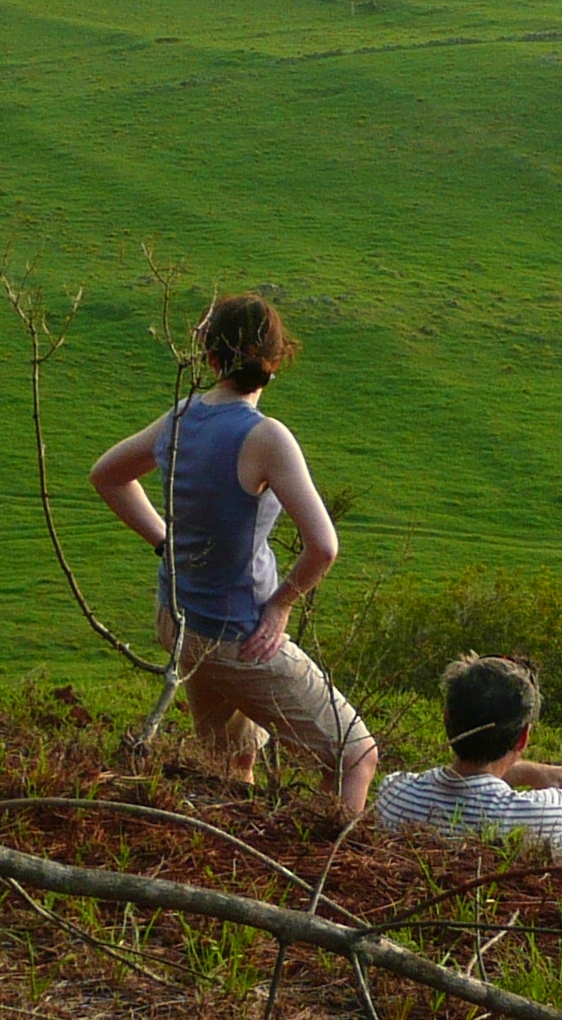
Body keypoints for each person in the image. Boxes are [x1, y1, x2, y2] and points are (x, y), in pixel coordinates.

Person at [90, 293, 378, 817]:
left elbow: (107, 475)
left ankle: (233, 865)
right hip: (239, 636)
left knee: (229, 761)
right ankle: (329, 870)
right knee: (356, 756)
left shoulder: (180, 418)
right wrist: (281, 605)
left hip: (178, 621)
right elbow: (324, 546)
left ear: (211, 358)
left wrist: (165, 544)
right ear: (275, 361)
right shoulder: (267, 438)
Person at [372, 654, 562, 866]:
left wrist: (517, 772)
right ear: (522, 738)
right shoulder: (544, 813)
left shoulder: (394, 791)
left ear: (447, 719)